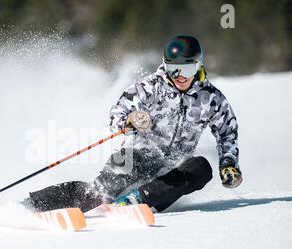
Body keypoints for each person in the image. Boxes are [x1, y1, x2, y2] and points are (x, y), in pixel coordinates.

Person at [25, 35, 243, 213]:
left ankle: (136, 202)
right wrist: (130, 120)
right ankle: (31, 205)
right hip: (136, 154)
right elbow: (117, 114)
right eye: (173, 69)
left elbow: (227, 133)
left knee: (201, 168)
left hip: (172, 168)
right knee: (97, 194)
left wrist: (228, 163)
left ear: (198, 66)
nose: (179, 77)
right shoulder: (150, 86)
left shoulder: (211, 98)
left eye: (186, 69)